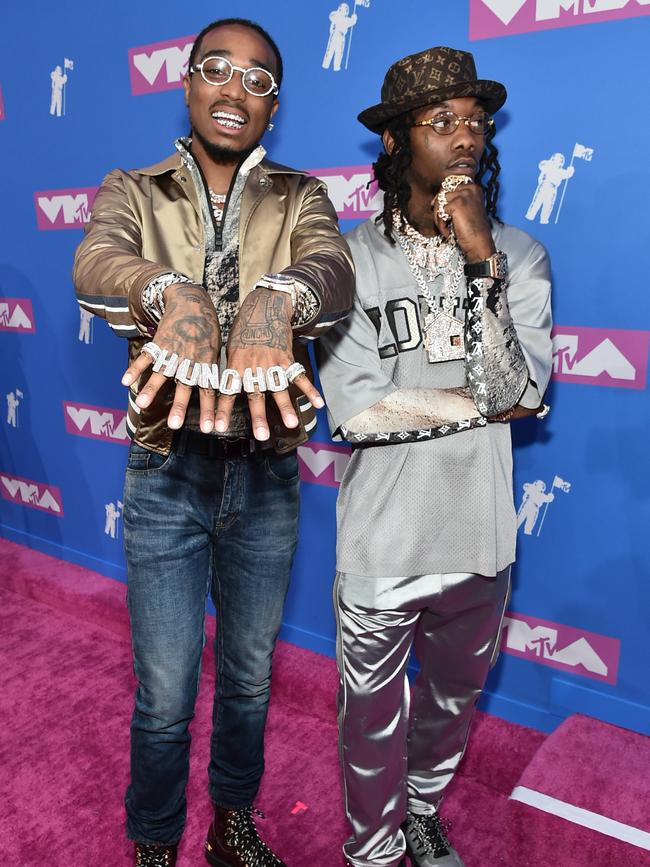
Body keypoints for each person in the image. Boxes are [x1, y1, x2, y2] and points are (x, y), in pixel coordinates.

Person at [73, 17, 353, 867]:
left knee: (249, 679)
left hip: (267, 478)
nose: (236, 90)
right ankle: (154, 840)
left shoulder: (303, 196)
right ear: (187, 81)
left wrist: (282, 297)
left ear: (275, 106)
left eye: (259, 80)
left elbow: (333, 270)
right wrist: (167, 290)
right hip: (166, 472)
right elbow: (96, 264)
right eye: (219, 70)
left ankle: (232, 824)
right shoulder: (133, 186)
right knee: (163, 693)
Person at [317, 46, 553, 867]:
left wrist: (479, 257)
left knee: (450, 708)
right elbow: (358, 410)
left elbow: (524, 395)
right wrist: (479, 403)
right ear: (393, 142)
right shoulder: (345, 260)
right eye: (440, 121)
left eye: (475, 121)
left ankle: (420, 810)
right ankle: (373, 850)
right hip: (384, 541)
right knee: (370, 717)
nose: (464, 136)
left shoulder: (516, 256)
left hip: (481, 537)